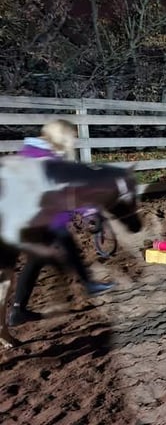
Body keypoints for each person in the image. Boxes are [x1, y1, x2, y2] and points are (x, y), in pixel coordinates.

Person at [8, 119, 114, 327]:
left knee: (37, 258)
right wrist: (89, 213)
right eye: (71, 137)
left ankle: (18, 310)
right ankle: (88, 283)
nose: (73, 141)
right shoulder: (48, 160)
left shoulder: (31, 152)